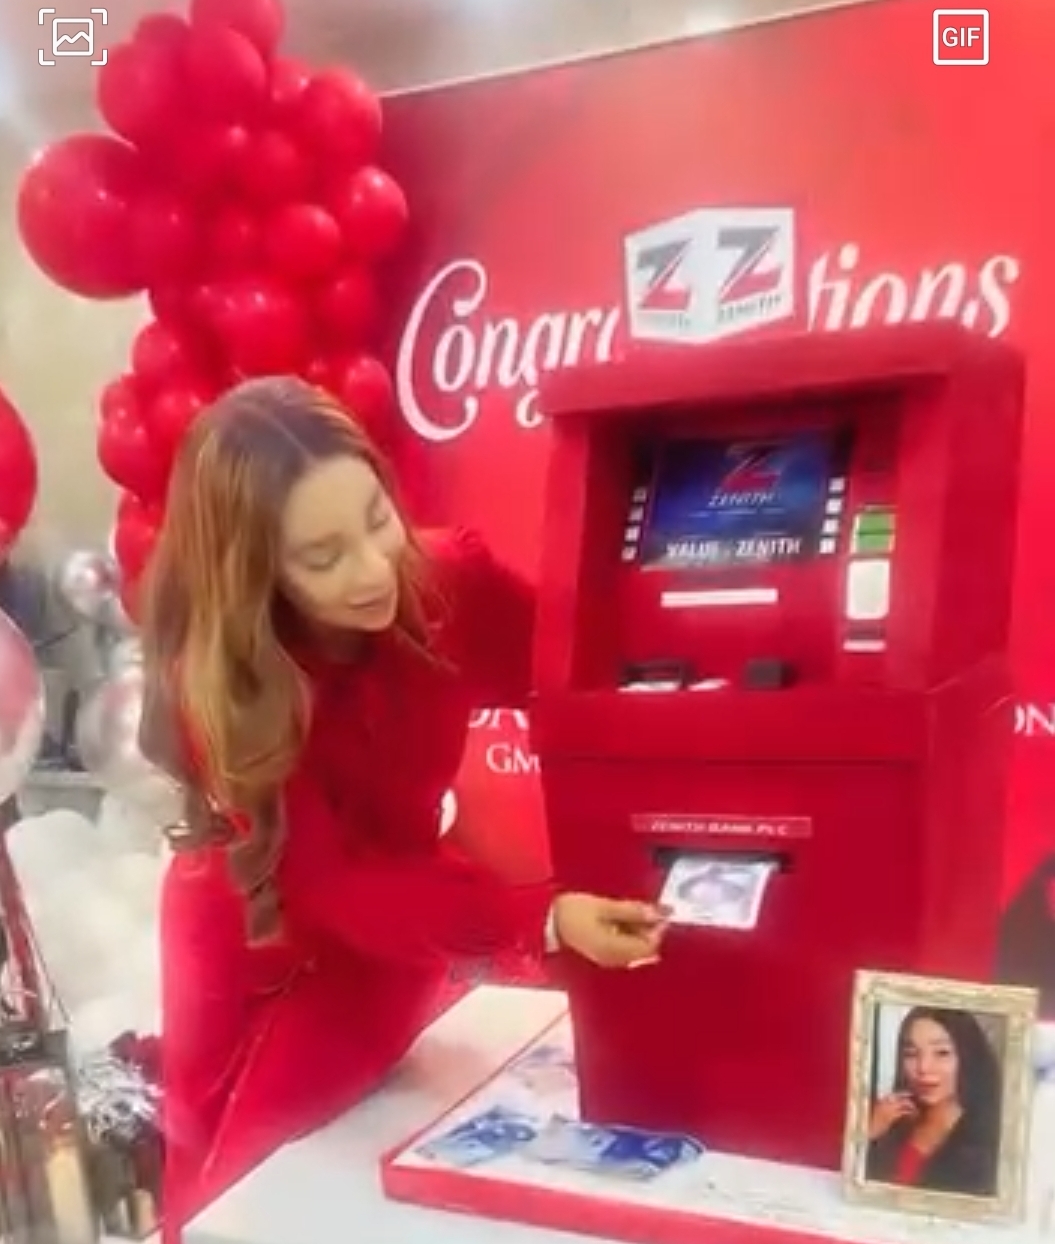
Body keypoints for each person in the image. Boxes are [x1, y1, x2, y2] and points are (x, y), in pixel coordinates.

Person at [137, 377, 669, 1238]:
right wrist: (538, 918)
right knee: (224, 1203)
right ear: (255, 573)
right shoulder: (225, 685)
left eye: (376, 518)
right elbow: (335, 886)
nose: (374, 567)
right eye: (322, 558)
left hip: (396, 919)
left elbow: (582, 683)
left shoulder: (447, 580)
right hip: (253, 941)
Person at [865, 1007, 1002, 1197]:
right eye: (911, 1054)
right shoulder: (893, 1115)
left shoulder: (988, 1137)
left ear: (968, 1056)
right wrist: (869, 1133)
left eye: (942, 1053)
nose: (923, 1067)